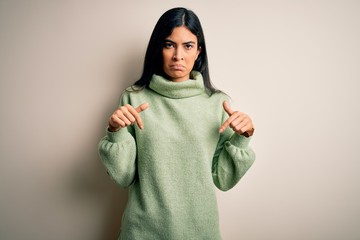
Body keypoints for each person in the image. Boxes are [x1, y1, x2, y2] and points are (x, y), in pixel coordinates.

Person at [98, 7, 256, 240]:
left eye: (188, 46)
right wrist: (115, 133)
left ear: (198, 51)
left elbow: (222, 180)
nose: (178, 56)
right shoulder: (134, 98)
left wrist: (242, 138)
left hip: (200, 231)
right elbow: (124, 177)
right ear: (157, 49)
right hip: (143, 231)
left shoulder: (218, 103)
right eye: (169, 44)